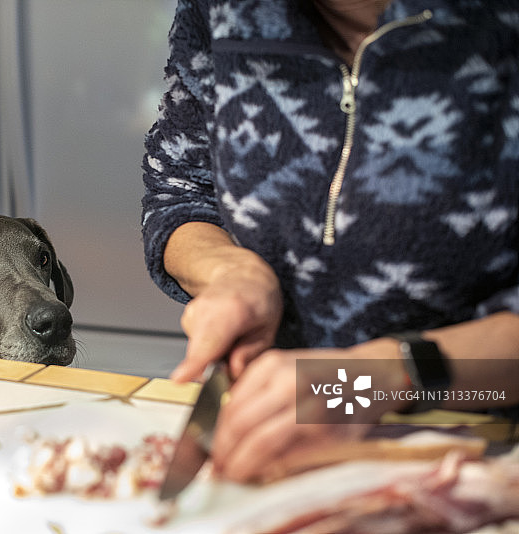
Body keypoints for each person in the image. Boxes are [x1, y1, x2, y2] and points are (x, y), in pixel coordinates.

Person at [141, 0, 519, 483]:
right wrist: (229, 272)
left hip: (478, 458)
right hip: (283, 437)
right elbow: (180, 184)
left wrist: (376, 380)